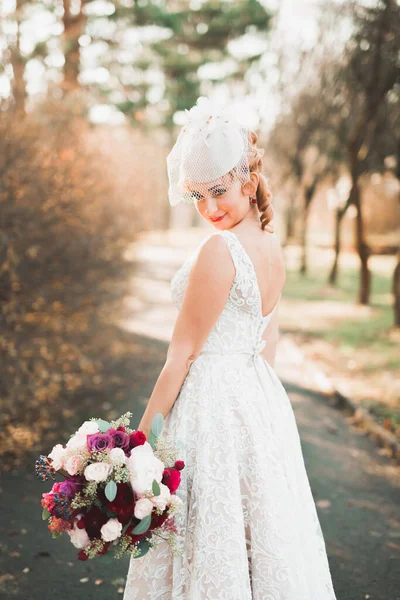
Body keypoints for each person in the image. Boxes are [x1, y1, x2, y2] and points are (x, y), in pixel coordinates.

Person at [123, 97, 337, 599]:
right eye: (197, 196)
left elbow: (181, 357)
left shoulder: (221, 251)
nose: (209, 208)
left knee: (212, 535)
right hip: (258, 402)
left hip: (212, 408)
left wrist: (138, 447)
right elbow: (268, 344)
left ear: (247, 179)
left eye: (217, 191)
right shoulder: (271, 245)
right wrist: (259, 418)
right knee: (255, 537)